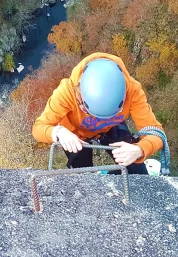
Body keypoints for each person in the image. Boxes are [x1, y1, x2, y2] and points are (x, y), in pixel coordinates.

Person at [32, 53, 164, 174]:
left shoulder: (132, 90)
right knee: (85, 176)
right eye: (84, 107)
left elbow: (156, 133)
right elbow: (38, 128)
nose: (95, 117)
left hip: (112, 127)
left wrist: (140, 150)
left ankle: (114, 180)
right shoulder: (67, 92)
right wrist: (58, 132)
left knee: (136, 172)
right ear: (79, 92)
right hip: (75, 136)